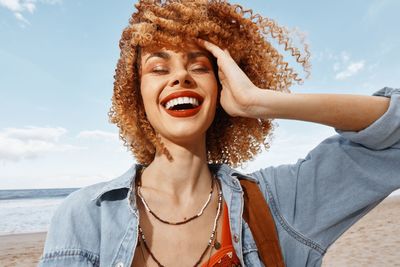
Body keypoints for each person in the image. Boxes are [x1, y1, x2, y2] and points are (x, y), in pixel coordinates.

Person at [38, 0, 400, 266]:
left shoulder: (279, 204)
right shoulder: (84, 217)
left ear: (222, 86)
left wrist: (259, 102)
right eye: (158, 68)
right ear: (136, 93)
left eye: (199, 66)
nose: (181, 77)